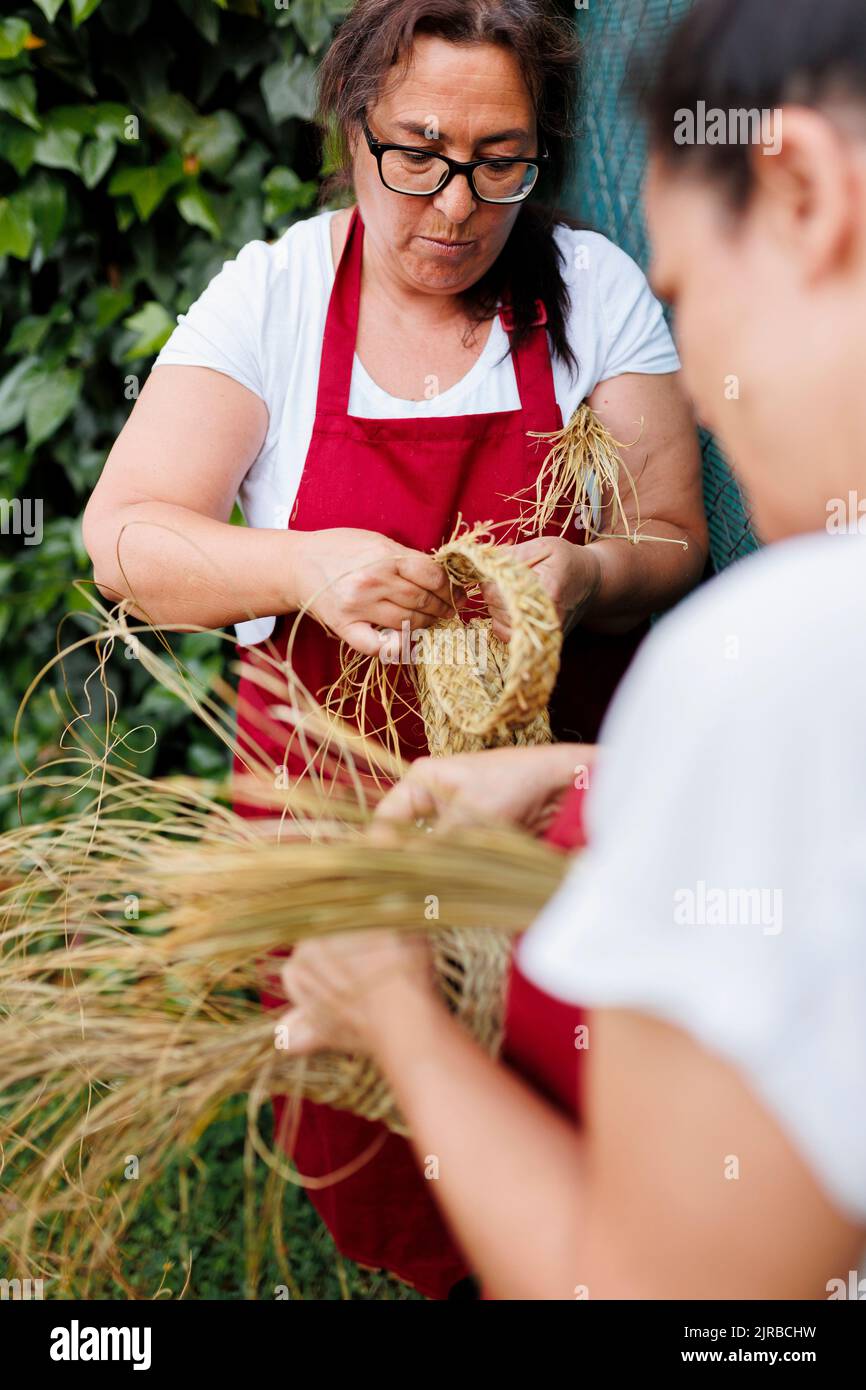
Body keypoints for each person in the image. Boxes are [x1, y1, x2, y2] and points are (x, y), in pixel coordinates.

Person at [82, 0, 706, 1297]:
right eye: (415, 152)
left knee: (573, 1097)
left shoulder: (591, 290)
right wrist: (302, 563)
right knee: (384, 1129)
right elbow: (123, 535)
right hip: (336, 806)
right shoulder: (275, 294)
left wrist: (588, 572)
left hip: (541, 799)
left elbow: (668, 535)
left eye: (498, 160)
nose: (455, 203)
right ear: (351, 128)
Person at [278, 0, 866, 1299]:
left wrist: (396, 1021)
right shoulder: (280, 292)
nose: (700, 375)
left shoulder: (783, 642)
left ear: (806, 194)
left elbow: (652, 1294)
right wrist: (592, 782)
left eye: (688, 291)